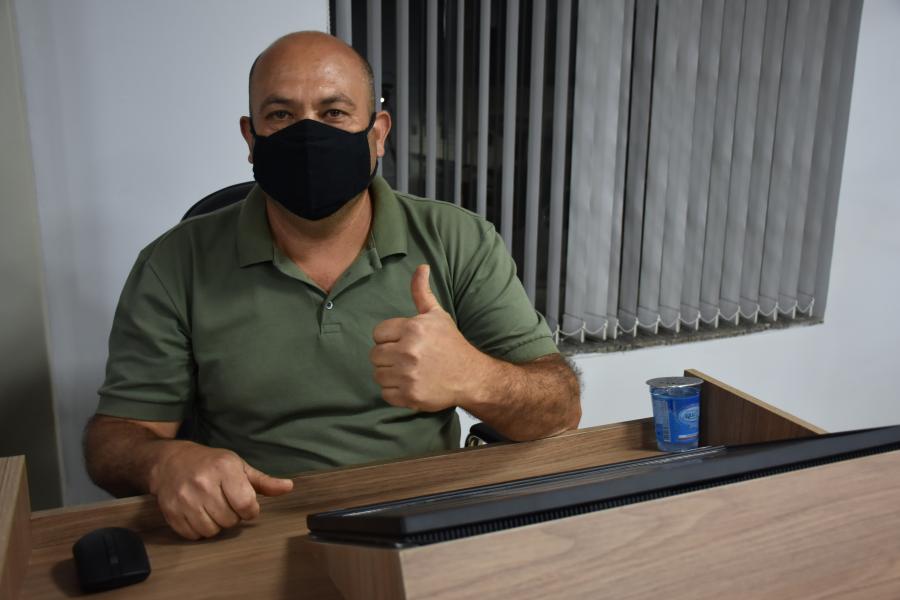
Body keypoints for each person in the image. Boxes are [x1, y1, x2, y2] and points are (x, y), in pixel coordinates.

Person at [84, 31, 581, 540]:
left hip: (422, 522)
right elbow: (114, 439)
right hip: (252, 527)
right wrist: (162, 462)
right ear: (251, 139)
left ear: (378, 133)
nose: (308, 135)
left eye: (334, 112)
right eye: (281, 114)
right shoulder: (175, 263)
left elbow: (561, 408)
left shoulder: (457, 240)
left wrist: (473, 377)